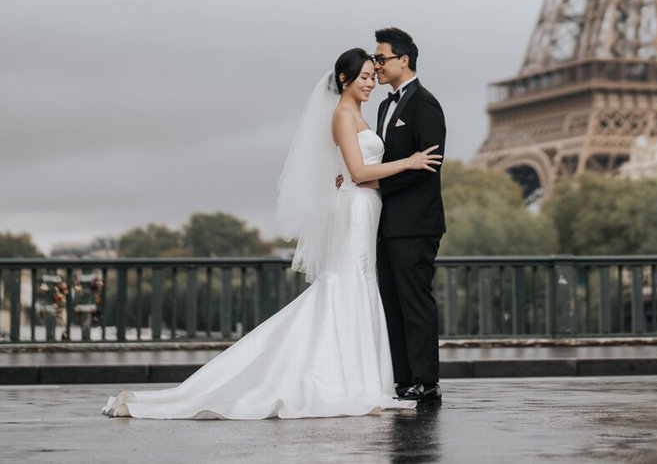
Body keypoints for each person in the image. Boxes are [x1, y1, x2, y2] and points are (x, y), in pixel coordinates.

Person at [101, 48, 442, 420]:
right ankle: (349, 379)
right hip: (357, 208)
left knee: (358, 284)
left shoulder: (357, 114)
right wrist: (408, 162)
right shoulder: (343, 115)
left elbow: (351, 169)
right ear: (343, 80)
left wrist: (349, 176)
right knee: (351, 283)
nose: (370, 82)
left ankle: (358, 379)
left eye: (372, 77)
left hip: (366, 206)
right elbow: (360, 172)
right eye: (362, 76)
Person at [370, 26, 446, 404]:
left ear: (404, 60)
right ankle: (404, 380)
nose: (376, 65)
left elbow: (427, 165)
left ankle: (426, 381)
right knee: (393, 302)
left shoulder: (425, 103)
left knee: (415, 302)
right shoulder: (385, 106)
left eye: (381, 58)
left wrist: (378, 186)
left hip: (415, 224)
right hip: (387, 224)